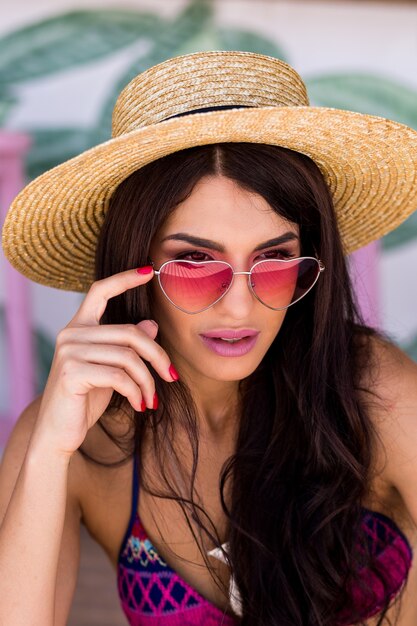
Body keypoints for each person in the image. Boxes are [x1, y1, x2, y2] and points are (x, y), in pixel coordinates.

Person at [1, 50, 417, 626]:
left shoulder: (377, 394)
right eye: (196, 262)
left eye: (274, 260)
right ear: (134, 263)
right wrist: (48, 451)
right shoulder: (69, 436)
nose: (241, 305)